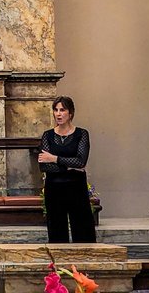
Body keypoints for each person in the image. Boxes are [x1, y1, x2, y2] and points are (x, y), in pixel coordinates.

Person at [38, 95, 96, 243]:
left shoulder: (81, 134)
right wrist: (70, 166)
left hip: (76, 188)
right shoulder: (47, 136)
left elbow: (81, 161)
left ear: (70, 113)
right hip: (54, 188)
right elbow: (44, 165)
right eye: (56, 110)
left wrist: (55, 158)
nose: (58, 113)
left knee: (83, 229)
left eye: (62, 110)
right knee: (57, 231)